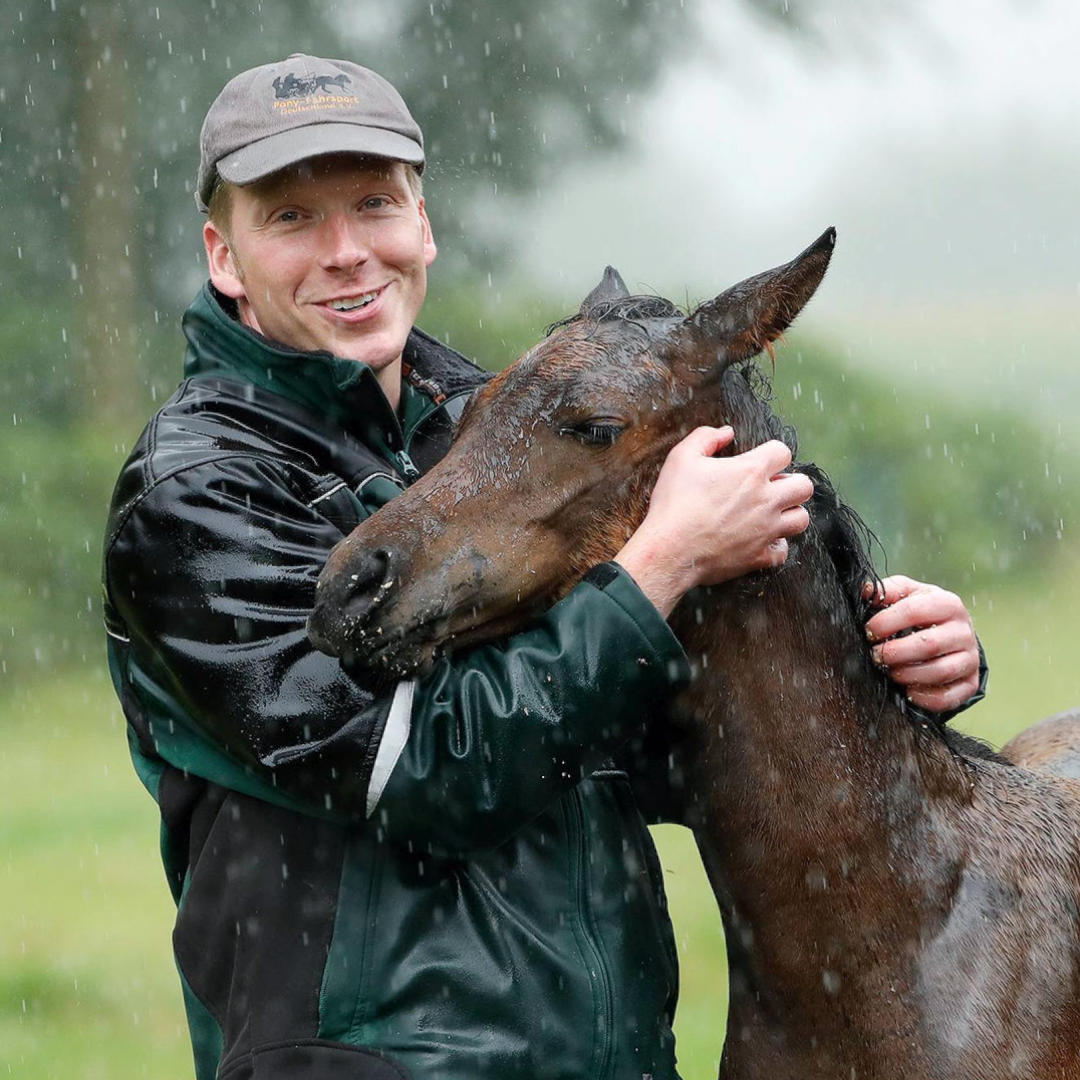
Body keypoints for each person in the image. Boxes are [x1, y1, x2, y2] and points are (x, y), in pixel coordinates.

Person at [101, 54, 986, 1080]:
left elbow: (649, 742)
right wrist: (659, 566)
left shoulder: (505, 434)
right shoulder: (194, 494)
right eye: (292, 218)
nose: (347, 252)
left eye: (375, 205)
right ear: (223, 255)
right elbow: (418, 770)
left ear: (422, 227)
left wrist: (896, 665)